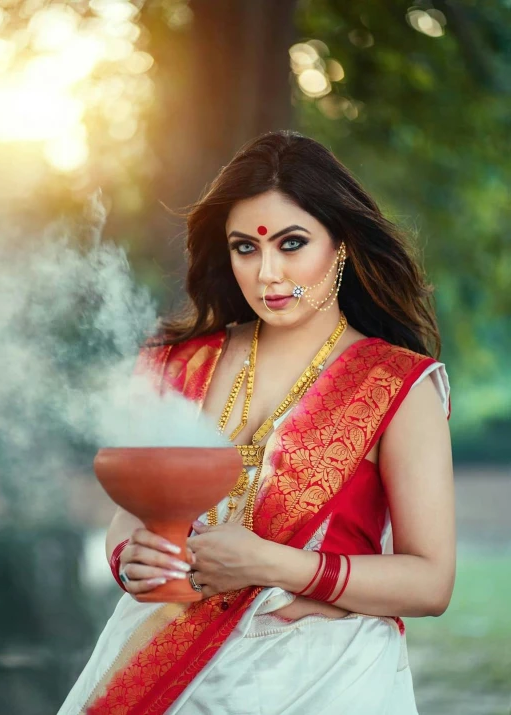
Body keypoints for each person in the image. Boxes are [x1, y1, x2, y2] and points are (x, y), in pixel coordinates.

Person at [58, 130, 455, 715]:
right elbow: (132, 517)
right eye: (246, 248)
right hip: (158, 662)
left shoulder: (397, 385)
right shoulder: (181, 361)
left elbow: (430, 582)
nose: (267, 273)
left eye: (292, 244)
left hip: (323, 677)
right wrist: (128, 557)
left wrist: (274, 565)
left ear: (340, 243)